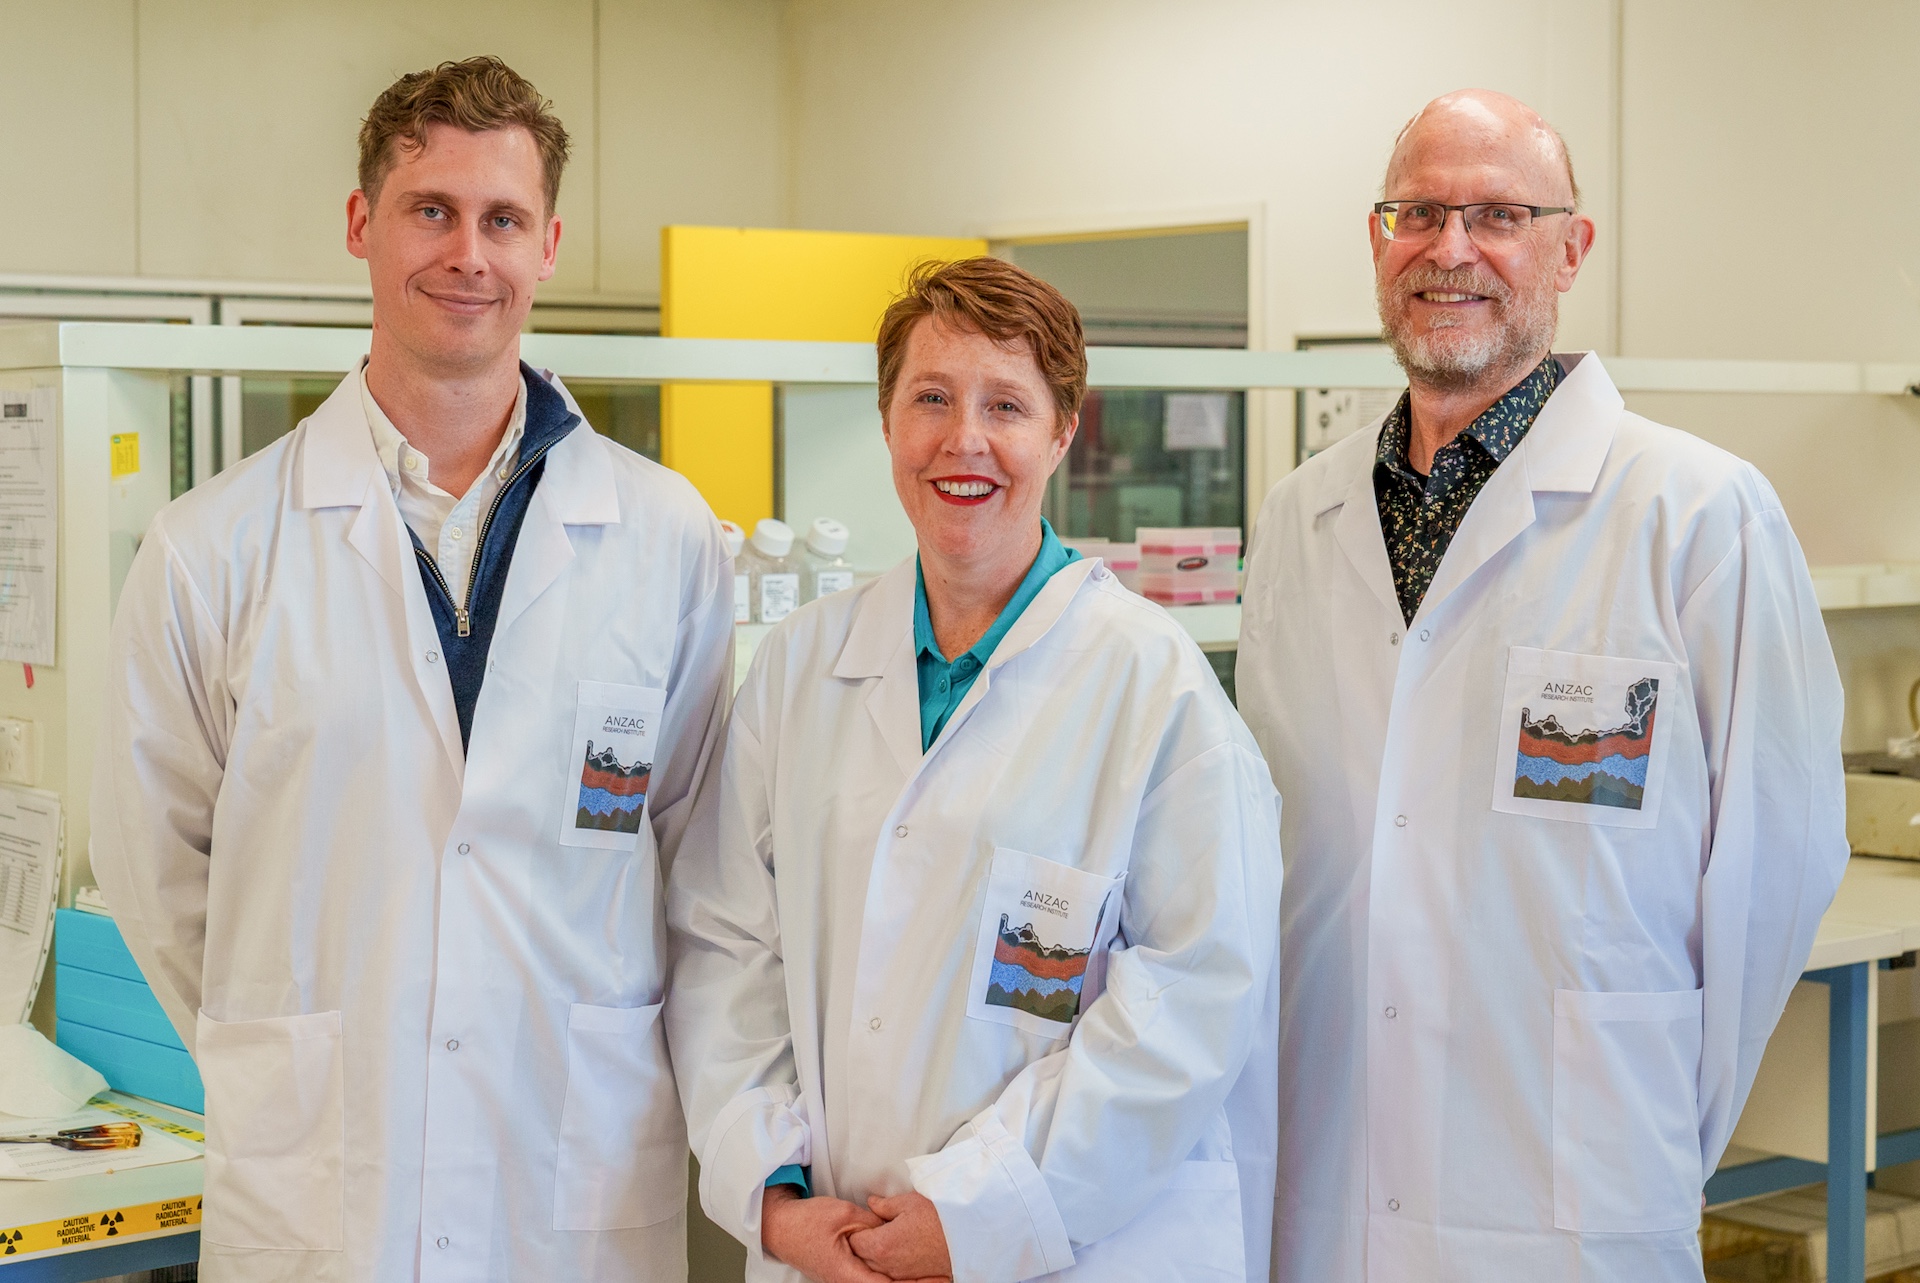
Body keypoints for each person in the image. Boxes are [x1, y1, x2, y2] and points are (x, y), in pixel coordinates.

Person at [90, 57, 731, 1281]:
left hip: (571, 1173)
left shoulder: (665, 538)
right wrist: (289, 1056)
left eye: (501, 220)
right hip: (324, 1192)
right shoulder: (212, 546)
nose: (467, 255)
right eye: (430, 210)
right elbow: (154, 869)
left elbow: (701, 866)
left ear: (549, 244)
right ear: (361, 225)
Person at [1236, 88, 1848, 1282]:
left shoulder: (1697, 513)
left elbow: (1777, 867)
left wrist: (1646, 1107)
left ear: (1571, 247)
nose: (1450, 248)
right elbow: (1282, 845)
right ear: (1377, 239)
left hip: (1573, 1189)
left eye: (1500, 213)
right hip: (1323, 1176)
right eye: (1418, 211)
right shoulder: (1299, 518)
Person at [667, 257, 1282, 1283]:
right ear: (887, 423)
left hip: (1058, 1245)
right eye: (932, 399)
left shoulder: (1153, 686)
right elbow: (726, 939)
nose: (965, 441)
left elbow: (1195, 994)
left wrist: (980, 1213)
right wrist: (770, 1188)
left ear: (1062, 432)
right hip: (827, 1240)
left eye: (1006, 405)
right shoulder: (801, 665)